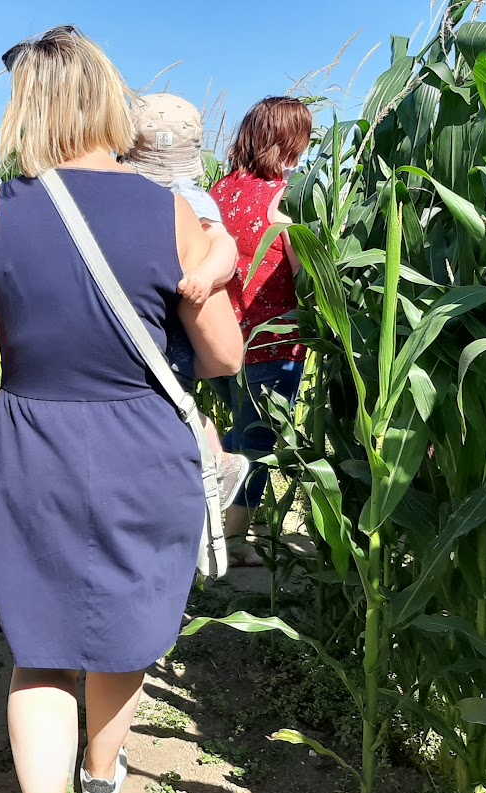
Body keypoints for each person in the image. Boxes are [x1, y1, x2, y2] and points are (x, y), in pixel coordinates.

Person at [0, 25, 243, 793]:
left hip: (31, 436)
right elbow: (225, 355)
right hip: (142, 444)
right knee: (123, 619)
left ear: (27, 108)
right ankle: (102, 772)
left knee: (38, 651)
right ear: (107, 102)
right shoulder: (175, 215)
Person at [121, 92, 247, 508]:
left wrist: (205, 276)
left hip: (173, 319)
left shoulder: (189, 200)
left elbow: (224, 247)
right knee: (176, 403)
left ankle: (214, 463)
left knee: (175, 400)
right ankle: (210, 462)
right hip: (157, 318)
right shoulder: (138, 196)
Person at [209, 96, 313, 566]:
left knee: (240, 423)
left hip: (221, 339)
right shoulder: (283, 197)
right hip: (274, 339)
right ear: (289, 140)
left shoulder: (219, 192)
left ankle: (242, 511)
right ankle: (230, 536)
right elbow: (304, 270)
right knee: (258, 438)